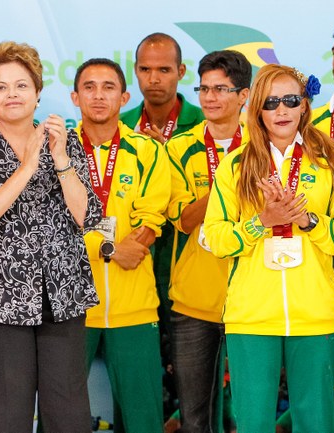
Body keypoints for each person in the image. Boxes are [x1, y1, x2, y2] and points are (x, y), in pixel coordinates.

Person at [0, 41, 102, 433]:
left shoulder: (66, 141)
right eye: (1, 87)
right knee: (7, 414)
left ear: (37, 92)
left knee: (68, 413)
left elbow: (88, 216)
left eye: (21, 85)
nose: (12, 95)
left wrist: (60, 159)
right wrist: (28, 165)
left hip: (62, 292)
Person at [204, 64, 334, 432]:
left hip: (317, 313)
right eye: (271, 102)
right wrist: (262, 221)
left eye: (291, 100)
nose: (282, 110)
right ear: (257, 109)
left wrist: (308, 221)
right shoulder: (235, 166)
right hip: (251, 316)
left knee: (316, 423)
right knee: (253, 423)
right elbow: (217, 239)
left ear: (304, 104)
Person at [70, 58, 169, 432]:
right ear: (75, 97)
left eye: (108, 87)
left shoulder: (147, 150)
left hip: (134, 308)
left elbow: (152, 216)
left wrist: (134, 243)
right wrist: (109, 249)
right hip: (71, 310)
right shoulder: (54, 151)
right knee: (59, 416)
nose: (99, 95)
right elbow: (51, 227)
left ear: (125, 97)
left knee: (144, 419)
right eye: (89, 87)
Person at [165, 50, 251, 433]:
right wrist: (226, 181)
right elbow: (184, 220)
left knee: (251, 415)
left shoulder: (263, 146)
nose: (210, 97)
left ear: (244, 95)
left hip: (251, 300)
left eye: (221, 89)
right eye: (204, 89)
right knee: (194, 418)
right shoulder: (179, 147)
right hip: (194, 300)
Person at [120, 36, 205, 402]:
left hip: (191, 265)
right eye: (145, 69)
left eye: (164, 69)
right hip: (133, 265)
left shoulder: (204, 123)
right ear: (135, 71)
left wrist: (164, 157)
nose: (154, 78)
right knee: (134, 374)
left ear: (181, 72)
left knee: (196, 377)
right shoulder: (119, 124)